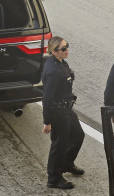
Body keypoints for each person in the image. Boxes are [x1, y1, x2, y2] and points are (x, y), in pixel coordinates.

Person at [42, 36, 85, 189]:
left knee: (78, 135)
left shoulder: (60, 62)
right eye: (63, 49)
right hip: (58, 112)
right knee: (59, 144)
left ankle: (66, 163)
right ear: (54, 52)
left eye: (67, 46)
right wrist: (47, 121)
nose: (67, 50)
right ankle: (54, 178)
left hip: (66, 109)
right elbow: (47, 97)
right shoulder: (53, 71)